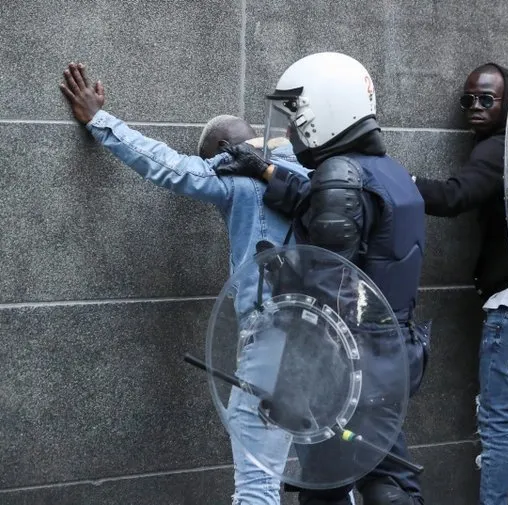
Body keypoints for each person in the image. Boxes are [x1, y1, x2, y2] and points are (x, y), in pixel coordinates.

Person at [58, 62, 311, 505]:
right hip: (326, 344)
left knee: (257, 485)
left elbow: (171, 168)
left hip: (272, 345)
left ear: (222, 148)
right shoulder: (313, 178)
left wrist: (100, 120)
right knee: (330, 481)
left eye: (213, 156)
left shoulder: (242, 179)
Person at [221, 51, 430, 505]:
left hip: (343, 364)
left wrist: (289, 379)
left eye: (296, 114)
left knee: (335, 486)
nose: (292, 128)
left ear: (324, 110)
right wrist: (266, 170)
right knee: (383, 471)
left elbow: (318, 294)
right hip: (387, 355)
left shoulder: (341, 175)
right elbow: (326, 209)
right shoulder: (387, 173)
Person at [409, 62, 508, 505]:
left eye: (485, 99)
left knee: (496, 426)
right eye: (467, 100)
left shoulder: (497, 149)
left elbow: (455, 196)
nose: (474, 108)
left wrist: (401, 181)